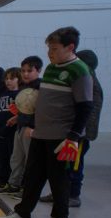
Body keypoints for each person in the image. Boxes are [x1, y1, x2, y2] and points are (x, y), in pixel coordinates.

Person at [0, 27, 94, 218]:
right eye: (49, 48)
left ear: (70, 47)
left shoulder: (80, 71)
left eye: (55, 48)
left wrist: (73, 137)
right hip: (40, 133)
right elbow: (43, 102)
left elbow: (86, 107)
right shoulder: (51, 69)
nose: (50, 53)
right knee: (33, 175)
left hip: (62, 138)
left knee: (59, 178)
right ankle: (22, 213)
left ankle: (60, 217)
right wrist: (28, 119)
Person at [39, 49, 103, 207]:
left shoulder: (90, 84)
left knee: (74, 165)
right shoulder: (79, 80)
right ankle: (58, 193)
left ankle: (73, 195)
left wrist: (79, 133)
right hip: (70, 132)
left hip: (80, 136)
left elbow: (90, 113)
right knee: (63, 166)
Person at [1, 56, 43, 196]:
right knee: (16, 157)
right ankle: (14, 184)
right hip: (20, 126)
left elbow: (41, 111)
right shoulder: (24, 87)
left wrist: (33, 126)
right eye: (23, 70)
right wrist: (16, 118)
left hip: (30, 130)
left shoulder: (40, 87)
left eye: (29, 71)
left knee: (29, 161)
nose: (25, 74)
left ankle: (27, 188)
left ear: (38, 71)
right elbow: (26, 108)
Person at [0, 68, 20, 190]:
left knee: (9, 156)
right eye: (6, 79)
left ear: (19, 79)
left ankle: (8, 179)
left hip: (11, 132)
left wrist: (7, 126)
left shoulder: (19, 95)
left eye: (12, 79)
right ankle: (0, 178)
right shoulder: (4, 93)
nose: (8, 81)